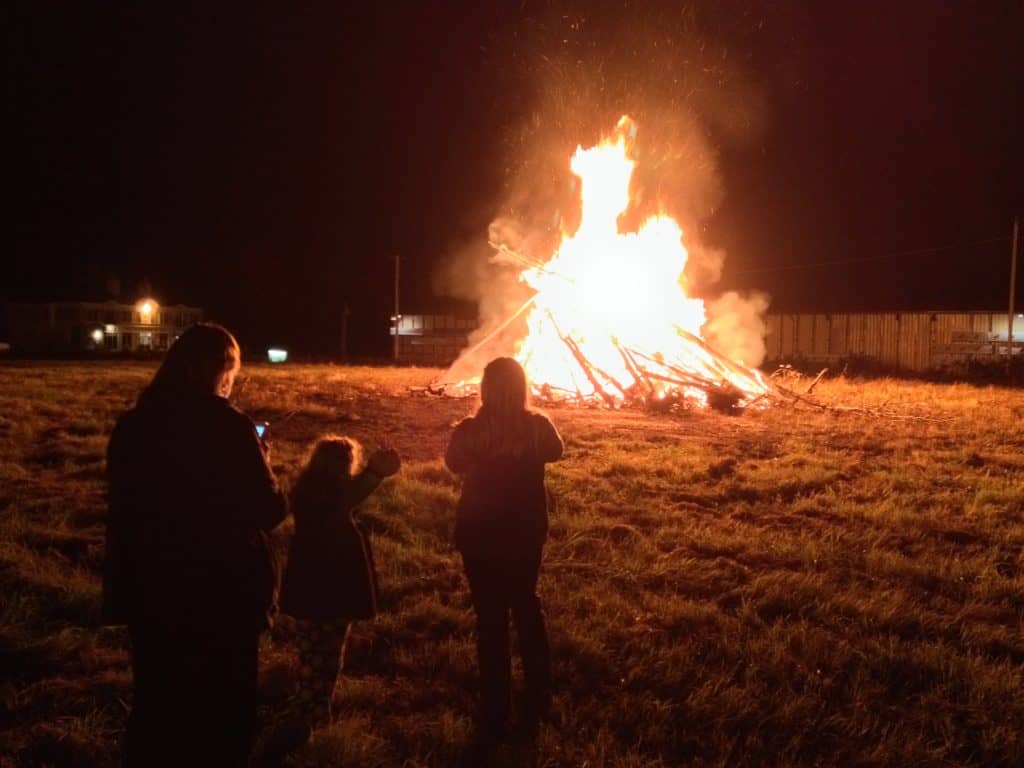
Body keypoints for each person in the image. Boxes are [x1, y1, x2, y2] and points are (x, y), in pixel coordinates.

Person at [102, 323, 287, 768]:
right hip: (221, 592)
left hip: (150, 588)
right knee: (225, 711)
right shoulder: (229, 426)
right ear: (218, 370)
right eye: (230, 369)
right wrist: (263, 460)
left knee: (158, 704)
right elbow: (269, 509)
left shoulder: (134, 425)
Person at [444, 356, 564, 753]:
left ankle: (496, 707)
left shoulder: (471, 431)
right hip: (524, 533)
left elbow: (453, 464)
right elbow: (557, 451)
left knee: (490, 617)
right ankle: (539, 694)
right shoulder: (537, 428)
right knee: (526, 605)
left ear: (485, 388)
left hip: (479, 534)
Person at [274, 434, 400, 743]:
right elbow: (364, 484)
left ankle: (305, 704)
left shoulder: (304, 492)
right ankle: (314, 712)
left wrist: (375, 469)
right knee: (329, 654)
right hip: (334, 590)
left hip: (305, 588)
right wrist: (378, 468)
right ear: (344, 468)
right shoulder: (338, 497)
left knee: (309, 649)